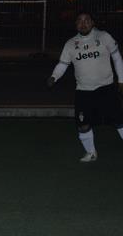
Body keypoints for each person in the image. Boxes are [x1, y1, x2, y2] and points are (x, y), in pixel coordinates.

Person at [47, 11, 123, 162]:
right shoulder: (70, 44)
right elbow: (63, 64)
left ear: (92, 22)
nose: (83, 23)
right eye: (80, 21)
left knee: (119, 120)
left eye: (86, 20)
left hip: (106, 87)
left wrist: (121, 80)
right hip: (83, 91)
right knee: (83, 125)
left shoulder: (104, 36)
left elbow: (117, 57)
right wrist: (54, 76)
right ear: (76, 25)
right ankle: (91, 153)